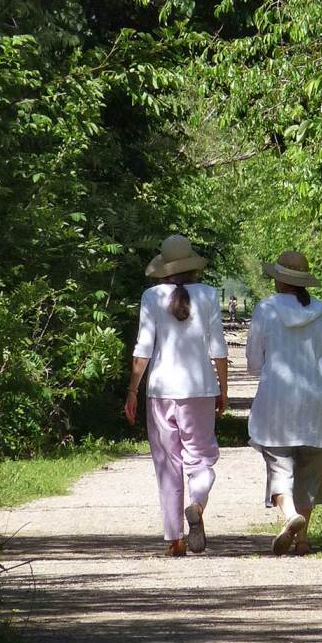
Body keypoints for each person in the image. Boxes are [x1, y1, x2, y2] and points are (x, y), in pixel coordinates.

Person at [124, 235, 228, 557]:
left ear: (164, 268)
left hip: (160, 391)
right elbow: (218, 349)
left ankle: (175, 539)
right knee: (201, 459)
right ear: (192, 265)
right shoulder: (209, 295)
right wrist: (223, 388)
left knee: (168, 464)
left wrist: (132, 391)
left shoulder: (151, 297)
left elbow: (143, 350)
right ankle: (197, 504)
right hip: (199, 389)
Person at [246, 250, 322, 555]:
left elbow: (252, 362)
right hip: (319, 402)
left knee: (280, 466)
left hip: (277, 402)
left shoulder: (266, 309)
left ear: (278, 279)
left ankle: (290, 516)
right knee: (310, 473)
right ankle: (302, 540)